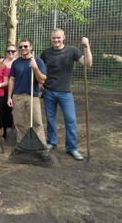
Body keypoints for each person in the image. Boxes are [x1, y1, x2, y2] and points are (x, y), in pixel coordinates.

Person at [41, 29, 93, 160]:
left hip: (65, 92)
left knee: (71, 120)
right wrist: (40, 84)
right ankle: (52, 142)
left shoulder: (72, 51)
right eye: (54, 38)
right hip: (49, 91)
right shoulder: (46, 53)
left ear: (64, 37)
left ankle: (72, 148)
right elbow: (40, 70)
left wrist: (87, 46)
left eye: (58, 38)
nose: (56, 40)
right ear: (50, 38)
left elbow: (88, 63)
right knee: (50, 119)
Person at [7, 40, 47, 145]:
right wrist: (9, 97)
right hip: (17, 96)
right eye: (21, 47)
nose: (23, 48)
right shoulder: (16, 62)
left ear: (31, 47)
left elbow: (42, 80)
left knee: (37, 122)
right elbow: (11, 80)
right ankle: (23, 145)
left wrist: (35, 68)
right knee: (19, 122)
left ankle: (41, 146)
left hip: (32, 96)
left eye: (25, 46)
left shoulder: (38, 61)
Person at [1, 45, 18, 139]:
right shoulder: (1, 61)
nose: (10, 53)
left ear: (16, 52)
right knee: (4, 112)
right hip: (3, 91)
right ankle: (5, 132)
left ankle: (13, 130)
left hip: (15, 91)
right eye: (8, 51)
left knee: (14, 112)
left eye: (13, 51)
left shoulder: (18, 62)